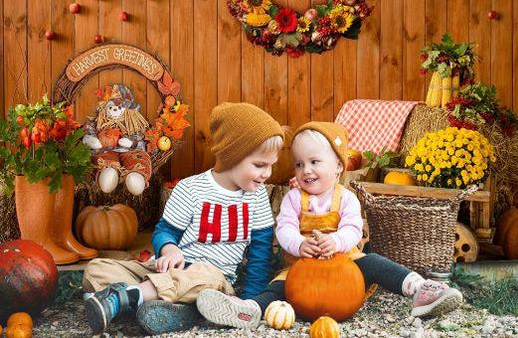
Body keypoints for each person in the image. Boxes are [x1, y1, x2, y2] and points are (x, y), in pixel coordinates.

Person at [196, 121, 463, 329]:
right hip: (300, 269)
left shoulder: (346, 198)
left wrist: (335, 241)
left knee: (374, 262)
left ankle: (420, 289)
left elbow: (352, 229)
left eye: (314, 162)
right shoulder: (292, 199)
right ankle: (249, 309)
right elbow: (284, 228)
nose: (306, 170)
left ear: (337, 166)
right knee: (278, 289)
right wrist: (300, 244)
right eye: (299, 164)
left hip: (344, 266)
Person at [82, 102, 284, 335]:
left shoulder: (257, 198)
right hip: (167, 273)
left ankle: (127, 298)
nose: (267, 174)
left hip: (212, 281)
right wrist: (169, 249)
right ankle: (172, 307)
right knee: (97, 269)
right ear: (231, 154)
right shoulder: (190, 189)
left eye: (271, 166)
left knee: (204, 277)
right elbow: (165, 231)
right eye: (260, 165)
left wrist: (248, 303)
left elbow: (260, 256)